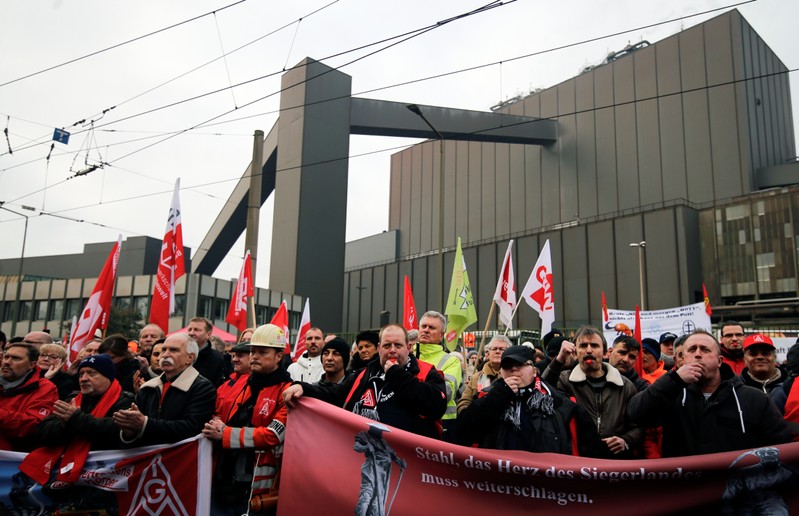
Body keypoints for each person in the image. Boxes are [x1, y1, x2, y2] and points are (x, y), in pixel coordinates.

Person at [628, 330, 792, 457]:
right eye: (692, 350)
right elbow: (636, 413)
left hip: (739, 492)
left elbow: (781, 445)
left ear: (720, 361)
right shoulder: (672, 393)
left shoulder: (753, 398)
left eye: (705, 349)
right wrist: (673, 380)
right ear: (683, 360)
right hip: (685, 492)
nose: (698, 354)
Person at [284, 324, 447, 439]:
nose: (392, 350)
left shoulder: (426, 372)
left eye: (398, 345)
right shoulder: (365, 374)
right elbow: (335, 393)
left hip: (407, 463)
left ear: (409, 347)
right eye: (386, 345)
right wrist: (303, 388)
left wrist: (396, 375)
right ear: (379, 347)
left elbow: (436, 406)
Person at [202, 324, 292, 515]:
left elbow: (273, 435)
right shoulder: (240, 384)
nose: (254, 356)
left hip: (254, 491)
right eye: (252, 351)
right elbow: (220, 415)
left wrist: (225, 433)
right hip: (221, 481)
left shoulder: (287, 391)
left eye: (262, 352)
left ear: (278, 356)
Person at [23, 354, 134, 484]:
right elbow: (43, 431)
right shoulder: (72, 400)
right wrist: (67, 424)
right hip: (60, 472)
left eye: (92, 373)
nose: (84, 379)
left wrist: (75, 420)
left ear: (108, 377)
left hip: (106, 478)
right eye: (81, 374)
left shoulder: (126, 400)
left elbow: (115, 429)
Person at [542, 326, 641, 459]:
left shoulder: (625, 386)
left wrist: (626, 440)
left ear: (606, 353)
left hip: (615, 463)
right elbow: (542, 392)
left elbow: (638, 426)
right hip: (577, 460)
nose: (589, 350)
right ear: (575, 354)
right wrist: (559, 359)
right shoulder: (565, 381)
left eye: (594, 345)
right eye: (583, 346)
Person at [459, 345, 576, 453]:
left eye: (520, 364)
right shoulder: (488, 396)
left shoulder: (554, 400)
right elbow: (465, 431)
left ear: (534, 371)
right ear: (501, 372)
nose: (514, 369)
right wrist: (498, 395)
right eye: (507, 365)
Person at [112, 332, 216, 446]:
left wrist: (145, 424)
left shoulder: (203, 387)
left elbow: (193, 427)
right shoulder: (148, 387)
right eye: (163, 350)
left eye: (173, 350)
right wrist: (129, 432)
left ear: (189, 358)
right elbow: (133, 432)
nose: (165, 355)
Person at [414, 311, 463, 441]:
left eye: (432, 327)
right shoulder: (407, 356)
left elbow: (445, 392)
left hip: (442, 423)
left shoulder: (451, 361)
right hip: (409, 419)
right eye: (423, 326)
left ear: (441, 335)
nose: (426, 330)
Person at [0, 343, 59, 451]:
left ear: (32, 364)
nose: (7, 362)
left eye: (16, 358)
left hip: (14, 458)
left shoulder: (45, 388)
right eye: (6, 357)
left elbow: (34, 425)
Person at [457, 335, 510, 414]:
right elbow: (463, 404)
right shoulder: (476, 377)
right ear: (488, 353)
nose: (497, 351)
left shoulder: (513, 375)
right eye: (494, 349)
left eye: (502, 349)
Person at [215, 341, 251, 419]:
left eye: (240, 356)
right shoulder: (226, 385)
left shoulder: (256, 385)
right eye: (234, 356)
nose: (234, 359)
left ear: (252, 358)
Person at [187, 317, 226, 386]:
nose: (191, 333)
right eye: (190, 329)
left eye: (196, 330)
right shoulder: (181, 354)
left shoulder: (217, 358)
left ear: (208, 334)